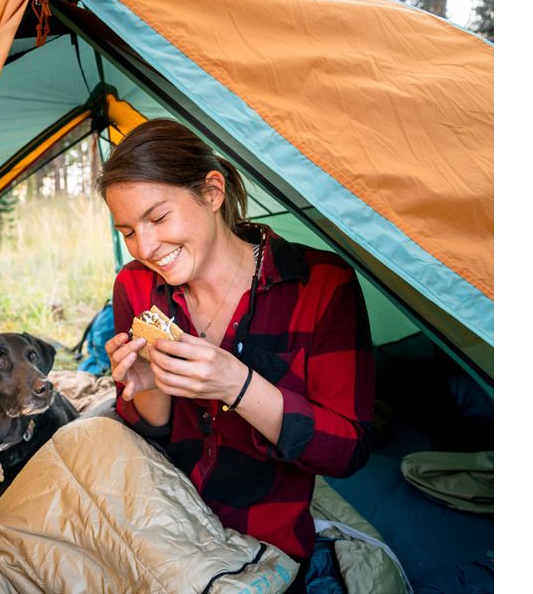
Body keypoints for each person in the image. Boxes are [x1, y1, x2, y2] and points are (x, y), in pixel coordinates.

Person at [100, 119, 375, 575]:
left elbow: (348, 450)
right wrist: (148, 387)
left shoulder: (322, 285)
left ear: (212, 192)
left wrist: (237, 384)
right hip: (161, 526)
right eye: (127, 230)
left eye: (158, 217)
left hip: (265, 543)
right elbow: (151, 431)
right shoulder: (134, 285)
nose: (144, 247)